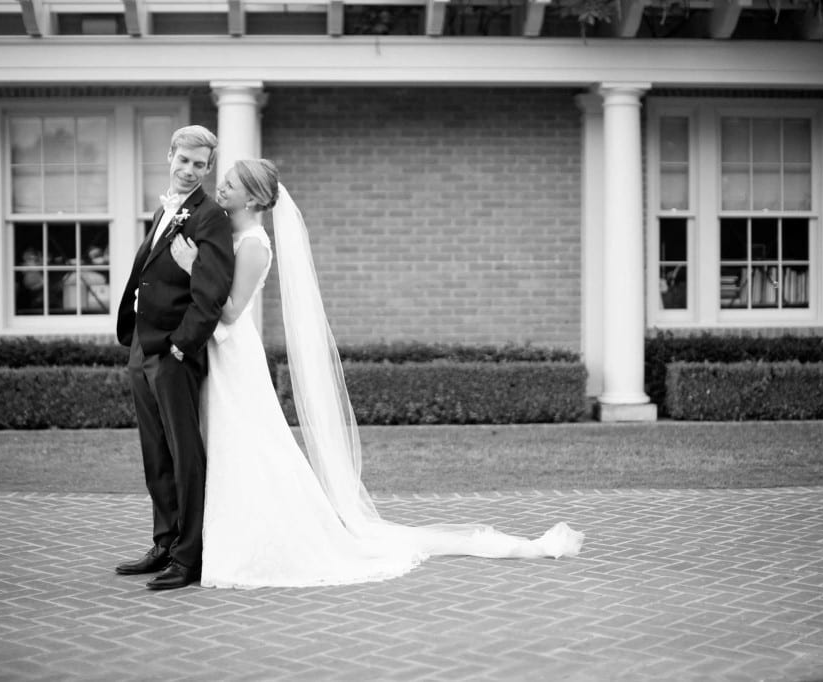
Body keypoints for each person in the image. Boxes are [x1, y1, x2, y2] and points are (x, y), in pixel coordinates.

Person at [169, 159, 583, 589]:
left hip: (235, 354)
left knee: (248, 444)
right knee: (222, 442)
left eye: (231, 184)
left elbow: (233, 311)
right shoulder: (226, 232)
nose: (221, 188)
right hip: (217, 351)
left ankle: (259, 541)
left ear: (252, 198)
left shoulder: (254, 244)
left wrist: (191, 266)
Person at [115, 125, 235, 590]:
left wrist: (182, 346)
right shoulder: (164, 210)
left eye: (200, 165)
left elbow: (211, 294)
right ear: (170, 155)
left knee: (186, 455)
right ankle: (164, 542)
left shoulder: (210, 217)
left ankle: (190, 558)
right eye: (183, 160)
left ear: (208, 169)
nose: (189, 171)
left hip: (173, 352)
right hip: (142, 347)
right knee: (155, 451)